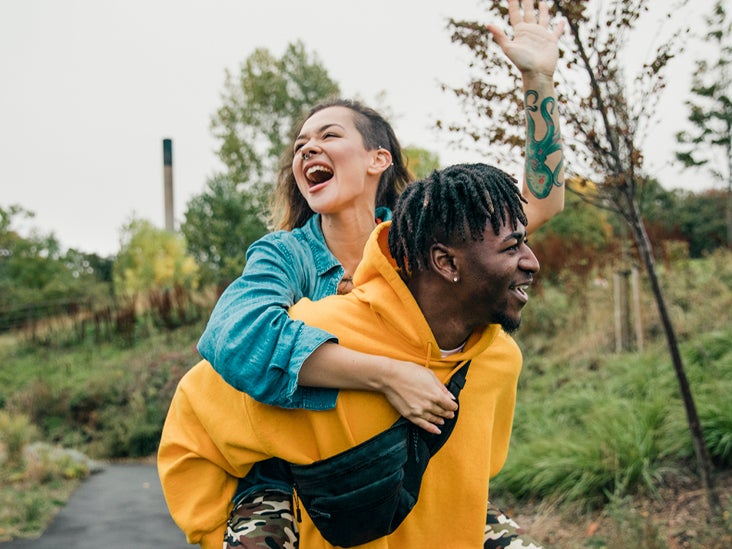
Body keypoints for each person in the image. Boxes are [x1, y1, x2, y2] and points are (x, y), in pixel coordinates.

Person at [184, 0, 565, 546]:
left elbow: (538, 206)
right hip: (295, 470)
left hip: (407, 457)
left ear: (377, 159)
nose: (308, 147)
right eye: (300, 145)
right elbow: (232, 337)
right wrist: (387, 374)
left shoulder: (422, 239)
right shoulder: (284, 256)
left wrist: (538, 80)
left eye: (329, 135)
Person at [158, 162, 542, 548]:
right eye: (512, 247)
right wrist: (218, 529)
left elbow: (473, 473)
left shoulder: (499, 360)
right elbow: (194, 422)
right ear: (445, 262)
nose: (533, 262)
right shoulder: (318, 336)